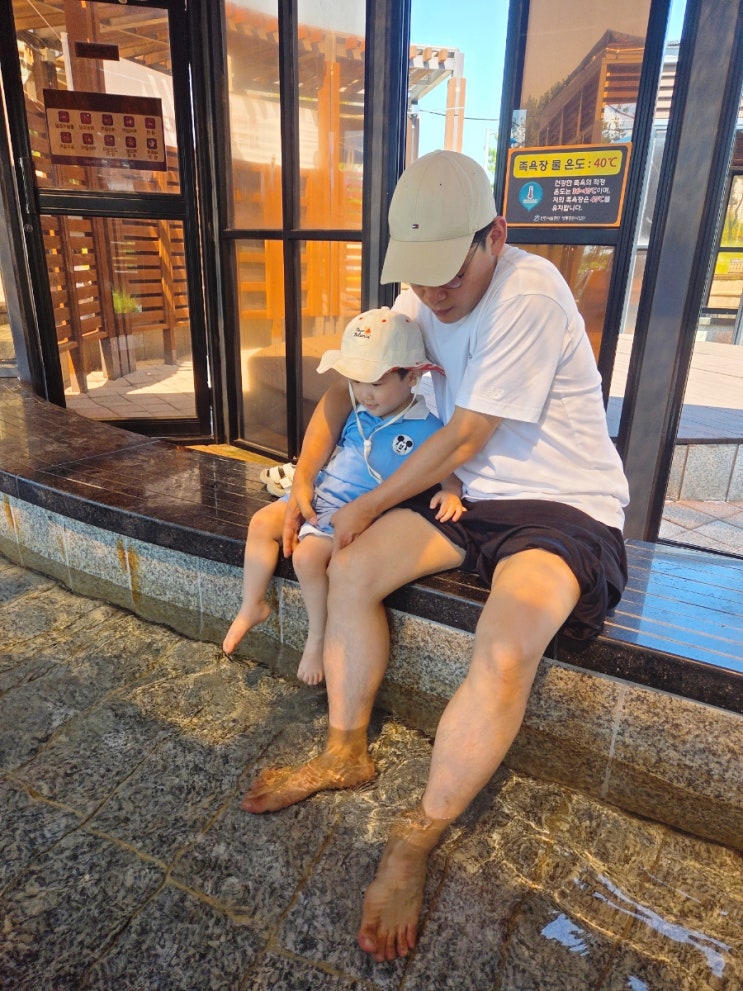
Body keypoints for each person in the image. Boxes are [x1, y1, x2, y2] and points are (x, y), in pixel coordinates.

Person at [241, 150, 630, 961]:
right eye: (419, 273)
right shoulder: (417, 289)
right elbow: (353, 384)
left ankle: (414, 838)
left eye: (450, 271)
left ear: (496, 235)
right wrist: (306, 478)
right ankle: (345, 750)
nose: (433, 292)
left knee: (505, 647)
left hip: (558, 503)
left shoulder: (529, 293)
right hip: (460, 493)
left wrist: (364, 504)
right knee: (349, 567)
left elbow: (466, 432)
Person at [223, 306, 464, 684]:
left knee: (307, 558)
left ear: (413, 377)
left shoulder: (426, 427)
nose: (364, 393)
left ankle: (317, 638)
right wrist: (305, 483)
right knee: (260, 523)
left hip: (350, 515)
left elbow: (446, 464)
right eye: (356, 381)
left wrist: (451, 491)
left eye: (376, 383)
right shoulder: (358, 411)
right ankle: (251, 605)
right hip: (321, 496)